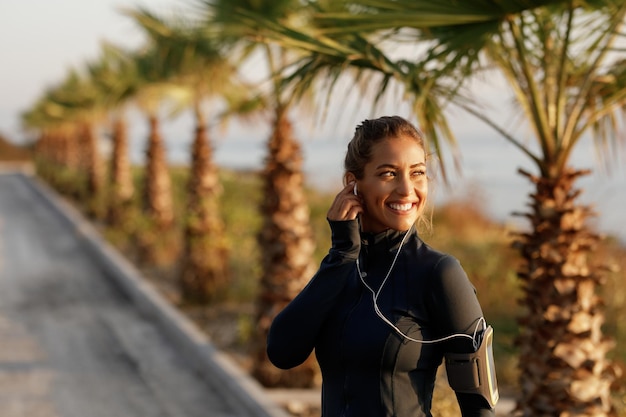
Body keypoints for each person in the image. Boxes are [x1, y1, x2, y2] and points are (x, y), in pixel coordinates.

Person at [267, 116, 497, 416]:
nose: (406, 189)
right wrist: (341, 254)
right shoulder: (342, 268)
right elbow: (282, 352)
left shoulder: (439, 272)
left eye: (418, 173)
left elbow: (480, 406)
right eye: (389, 173)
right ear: (353, 184)